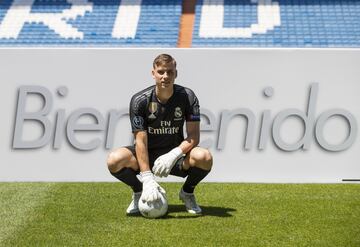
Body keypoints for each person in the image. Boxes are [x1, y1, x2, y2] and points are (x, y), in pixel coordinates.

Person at [106, 54, 212, 215]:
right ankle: (139, 191)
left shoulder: (187, 96)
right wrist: (147, 178)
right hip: (147, 155)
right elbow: (140, 141)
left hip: (175, 156)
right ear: (153, 73)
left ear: (176, 73)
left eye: (170, 72)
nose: (165, 76)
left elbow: (193, 136)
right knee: (114, 160)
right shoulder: (140, 100)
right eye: (161, 72)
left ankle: (187, 193)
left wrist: (173, 155)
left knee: (204, 157)